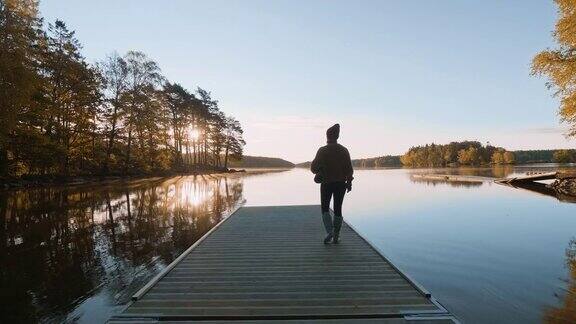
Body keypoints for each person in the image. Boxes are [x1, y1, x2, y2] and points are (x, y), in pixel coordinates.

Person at [310, 124, 353, 244]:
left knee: (325, 208)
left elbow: (313, 168)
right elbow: (349, 169)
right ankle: (336, 236)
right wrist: (349, 183)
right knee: (338, 209)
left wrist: (320, 169)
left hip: (326, 183)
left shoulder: (322, 150)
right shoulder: (344, 150)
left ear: (327, 136)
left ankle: (329, 232)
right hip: (340, 184)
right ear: (337, 136)